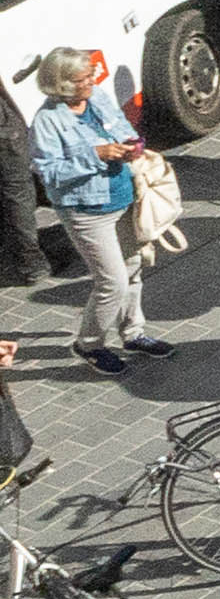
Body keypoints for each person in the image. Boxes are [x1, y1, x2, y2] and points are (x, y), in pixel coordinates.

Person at [25, 50, 152, 368]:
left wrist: (129, 143)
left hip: (122, 197)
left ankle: (133, 334)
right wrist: (96, 155)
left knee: (133, 268)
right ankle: (89, 344)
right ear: (63, 84)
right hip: (86, 209)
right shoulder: (47, 120)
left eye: (91, 74)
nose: (92, 81)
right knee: (113, 281)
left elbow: (119, 124)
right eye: (84, 78)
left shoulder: (96, 96)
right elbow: (48, 171)